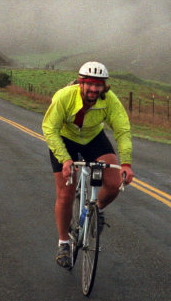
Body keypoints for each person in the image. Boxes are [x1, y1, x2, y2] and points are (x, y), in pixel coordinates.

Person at [42, 61, 134, 269]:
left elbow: (122, 131)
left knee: (113, 183)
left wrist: (126, 163)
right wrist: (65, 159)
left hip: (93, 137)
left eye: (99, 85)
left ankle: (97, 211)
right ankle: (64, 243)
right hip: (65, 139)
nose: (94, 89)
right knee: (65, 193)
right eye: (90, 84)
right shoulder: (64, 97)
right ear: (81, 83)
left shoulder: (109, 100)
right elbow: (49, 129)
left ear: (104, 87)